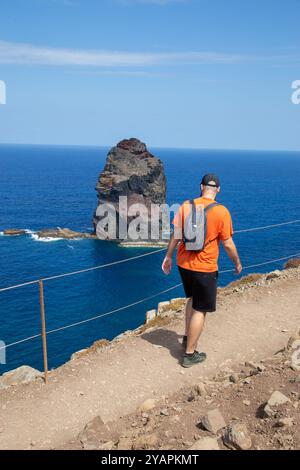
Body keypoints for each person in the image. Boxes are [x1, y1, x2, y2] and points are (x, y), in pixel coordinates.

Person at [162, 174, 242, 368]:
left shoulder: (186, 205)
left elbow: (176, 235)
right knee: (200, 309)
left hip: (184, 265)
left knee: (191, 299)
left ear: (201, 186)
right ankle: (190, 354)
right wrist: (237, 263)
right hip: (204, 267)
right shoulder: (221, 211)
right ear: (218, 190)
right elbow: (228, 244)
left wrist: (168, 256)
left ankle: (187, 337)